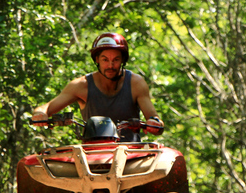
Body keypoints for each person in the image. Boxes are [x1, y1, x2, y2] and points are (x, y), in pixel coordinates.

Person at [32, 32, 164, 140]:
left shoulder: (136, 83)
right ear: (97, 60)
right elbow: (47, 107)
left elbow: (154, 118)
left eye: (116, 60)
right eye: (105, 60)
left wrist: (154, 123)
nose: (110, 66)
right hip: (92, 155)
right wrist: (40, 113)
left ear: (123, 60)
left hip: (130, 154)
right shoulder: (81, 86)